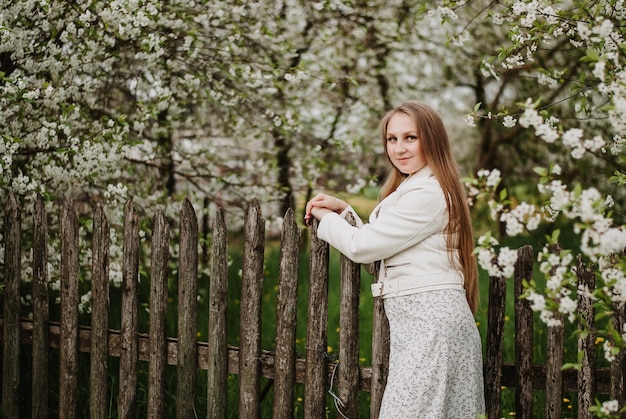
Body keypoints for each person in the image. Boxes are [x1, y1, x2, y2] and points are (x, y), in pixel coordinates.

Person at [304, 100, 485, 418]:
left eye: (411, 137)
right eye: (392, 139)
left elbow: (363, 248)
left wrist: (322, 215)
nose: (399, 148)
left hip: (432, 326)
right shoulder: (417, 188)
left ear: (432, 139)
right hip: (427, 326)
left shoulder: (429, 193)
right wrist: (345, 210)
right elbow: (387, 246)